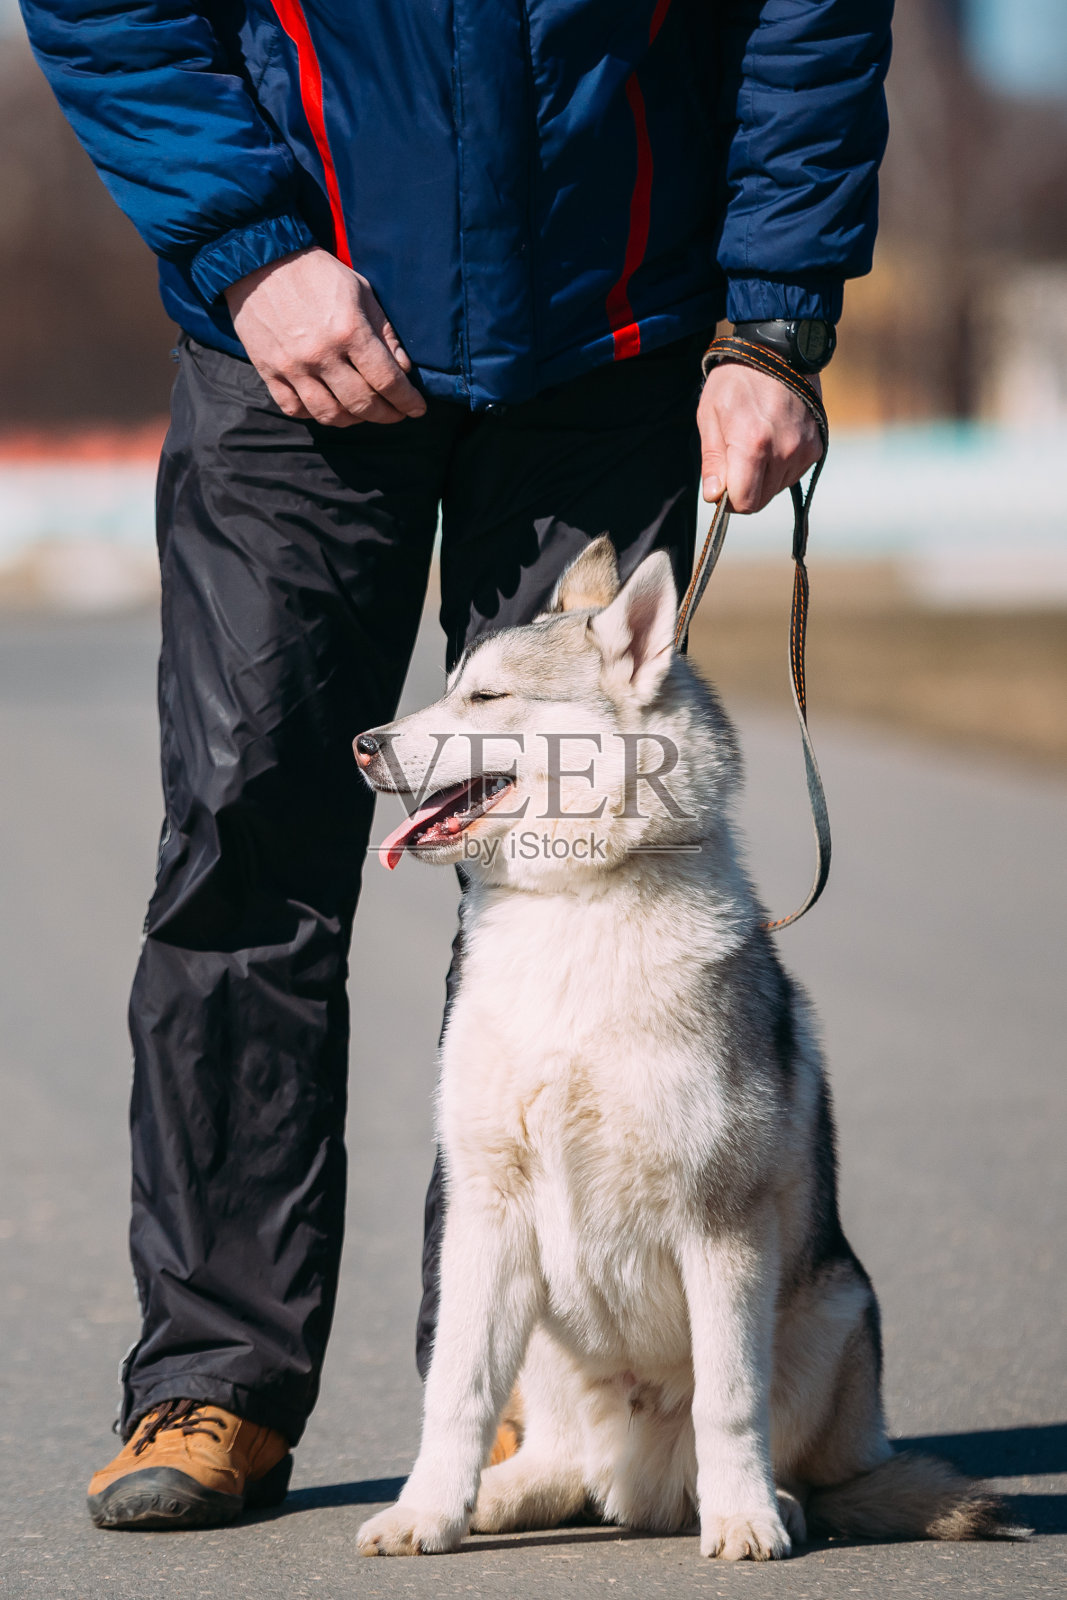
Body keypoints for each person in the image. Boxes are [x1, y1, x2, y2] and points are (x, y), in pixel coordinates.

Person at [20, 0, 892, 1530]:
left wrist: (772, 316)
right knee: (249, 844)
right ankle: (215, 1382)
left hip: (605, 331)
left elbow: (811, 15)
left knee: (561, 862)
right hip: (287, 328)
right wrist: (248, 245)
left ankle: (496, 1407)